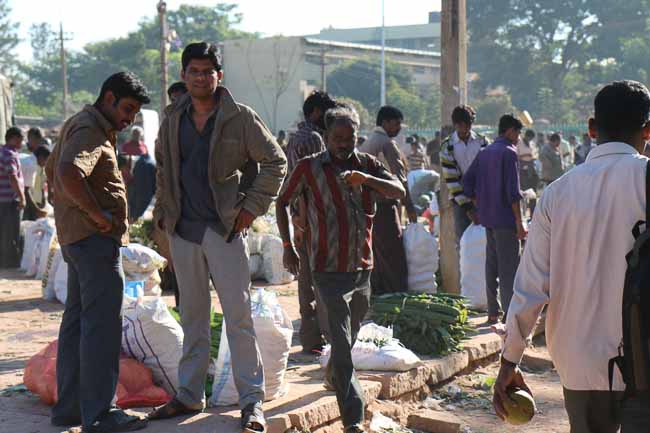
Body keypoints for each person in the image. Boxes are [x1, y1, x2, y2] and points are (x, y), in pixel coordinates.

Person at [494, 80, 650, 433]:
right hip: (645, 359)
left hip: (577, 359)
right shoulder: (645, 179)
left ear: (592, 129)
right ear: (648, 130)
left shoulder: (556, 194)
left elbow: (530, 287)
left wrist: (509, 361)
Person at [149, 42, 287, 432]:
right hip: (184, 232)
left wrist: (250, 208)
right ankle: (189, 394)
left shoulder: (240, 118)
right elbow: (163, 169)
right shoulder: (173, 118)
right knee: (191, 318)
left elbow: (276, 161)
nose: (201, 77)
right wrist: (163, 217)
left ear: (218, 76)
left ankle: (251, 402)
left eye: (208, 71)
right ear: (183, 75)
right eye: (194, 70)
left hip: (225, 230)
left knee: (238, 319)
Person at [276, 105, 405, 433]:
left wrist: (368, 180)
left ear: (357, 137)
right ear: (327, 138)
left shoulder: (366, 164)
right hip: (325, 268)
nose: (344, 144)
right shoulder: (309, 168)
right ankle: (352, 418)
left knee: (351, 334)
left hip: (361, 267)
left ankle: (334, 374)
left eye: (350, 139)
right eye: (337, 138)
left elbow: (399, 191)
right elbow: (282, 201)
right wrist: (289, 246)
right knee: (342, 343)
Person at [45, 71, 151, 432]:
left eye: (135, 112)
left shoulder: (80, 123)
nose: (129, 119)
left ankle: (71, 409)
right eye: (127, 109)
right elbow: (66, 171)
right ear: (108, 97)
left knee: (77, 324)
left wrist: (71, 209)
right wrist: (96, 213)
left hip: (77, 241)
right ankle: (100, 414)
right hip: (94, 242)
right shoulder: (90, 130)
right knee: (101, 328)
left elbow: (51, 170)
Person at [285, 90, 337, 354]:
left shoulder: (295, 137)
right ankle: (327, 338)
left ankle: (310, 339)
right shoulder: (315, 139)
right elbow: (316, 180)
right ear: (317, 112)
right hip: (314, 216)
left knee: (306, 281)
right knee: (322, 280)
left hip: (299, 216)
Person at [463, 114, 526, 325]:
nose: (518, 138)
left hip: (488, 218)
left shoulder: (484, 152)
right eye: (517, 133)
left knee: (492, 267)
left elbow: (467, 182)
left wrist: (480, 203)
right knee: (509, 269)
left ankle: (492, 312)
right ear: (509, 131)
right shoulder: (509, 153)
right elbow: (513, 193)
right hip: (506, 219)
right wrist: (520, 221)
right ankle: (509, 314)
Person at [359, 105, 416, 294]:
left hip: (368, 206)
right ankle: (396, 297)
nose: (399, 128)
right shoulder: (386, 144)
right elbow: (400, 182)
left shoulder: (367, 143)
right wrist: (410, 207)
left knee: (377, 253)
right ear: (385, 123)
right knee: (393, 255)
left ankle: (378, 295)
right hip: (385, 205)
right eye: (396, 124)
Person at [440, 105, 488, 242]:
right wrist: (468, 208)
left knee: (486, 241)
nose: (465, 128)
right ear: (455, 125)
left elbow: (487, 172)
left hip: (482, 199)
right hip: (460, 202)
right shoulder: (447, 146)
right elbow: (452, 181)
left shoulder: (482, 141)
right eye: (461, 125)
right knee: (463, 242)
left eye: (468, 124)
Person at [0, 127, 25, 269]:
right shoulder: (10, 154)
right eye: (21, 139)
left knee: (3, 231)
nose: (22, 142)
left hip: (2, 200)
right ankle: (10, 263)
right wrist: (22, 198)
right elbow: (13, 177)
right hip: (10, 200)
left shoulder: (2, 152)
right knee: (11, 233)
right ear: (14, 138)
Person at [129, 147, 156, 222]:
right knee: (138, 217)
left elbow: (134, 177)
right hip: (147, 194)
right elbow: (155, 183)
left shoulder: (139, 162)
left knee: (134, 216)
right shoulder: (152, 163)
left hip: (138, 193)